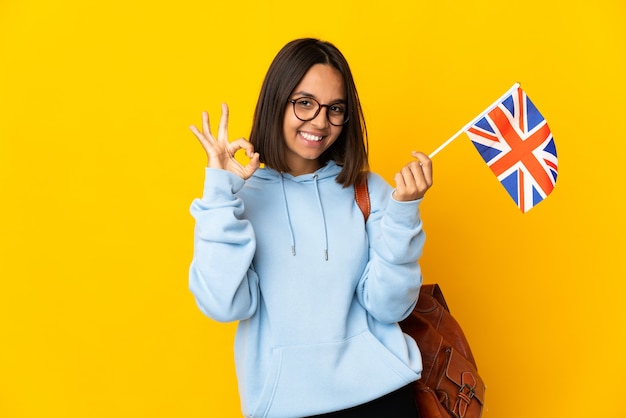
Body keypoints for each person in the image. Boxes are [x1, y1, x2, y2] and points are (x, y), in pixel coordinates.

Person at [189, 38, 433, 418]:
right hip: (285, 406)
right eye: (305, 103)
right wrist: (220, 194)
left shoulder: (369, 191)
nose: (320, 122)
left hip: (383, 398)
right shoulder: (240, 198)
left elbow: (389, 308)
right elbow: (223, 304)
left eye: (335, 108)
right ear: (277, 101)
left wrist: (403, 216)